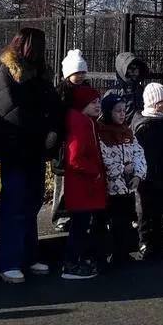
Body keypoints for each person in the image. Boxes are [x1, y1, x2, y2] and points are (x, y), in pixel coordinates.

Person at [0, 27, 62, 283]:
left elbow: (52, 105)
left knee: (31, 203)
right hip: (15, 150)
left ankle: (28, 255)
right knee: (14, 204)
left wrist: (52, 130)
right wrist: (43, 126)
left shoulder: (40, 75)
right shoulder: (6, 75)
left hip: (34, 149)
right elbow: (9, 111)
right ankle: (7, 261)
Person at [59, 80, 106, 280]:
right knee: (79, 227)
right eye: (93, 102)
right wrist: (95, 171)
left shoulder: (87, 122)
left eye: (98, 101)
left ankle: (79, 261)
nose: (98, 105)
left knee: (82, 226)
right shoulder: (81, 123)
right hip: (83, 186)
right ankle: (71, 265)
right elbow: (75, 158)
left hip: (85, 186)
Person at [132, 83, 163, 261]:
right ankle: (145, 242)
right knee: (145, 211)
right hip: (147, 175)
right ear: (154, 103)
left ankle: (162, 241)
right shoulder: (143, 125)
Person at [98, 93, 145, 266]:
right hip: (112, 187)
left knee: (125, 221)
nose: (122, 114)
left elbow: (139, 154)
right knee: (112, 222)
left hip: (128, 185)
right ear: (108, 112)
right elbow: (105, 159)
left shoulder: (127, 131)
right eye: (118, 111)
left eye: (124, 111)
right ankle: (109, 254)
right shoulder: (102, 133)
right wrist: (121, 169)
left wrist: (138, 174)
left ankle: (122, 253)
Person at [52, 48, 90, 231]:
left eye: (83, 72)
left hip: (81, 139)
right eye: (77, 73)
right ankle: (61, 215)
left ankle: (77, 212)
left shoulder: (86, 90)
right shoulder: (61, 92)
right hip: (64, 142)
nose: (81, 76)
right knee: (63, 182)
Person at [108, 51, 150, 125]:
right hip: (119, 132)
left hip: (139, 131)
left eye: (137, 68)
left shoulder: (141, 90)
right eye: (130, 68)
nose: (135, 72)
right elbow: (105, 118)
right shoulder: (113, 92)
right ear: (123, 69)